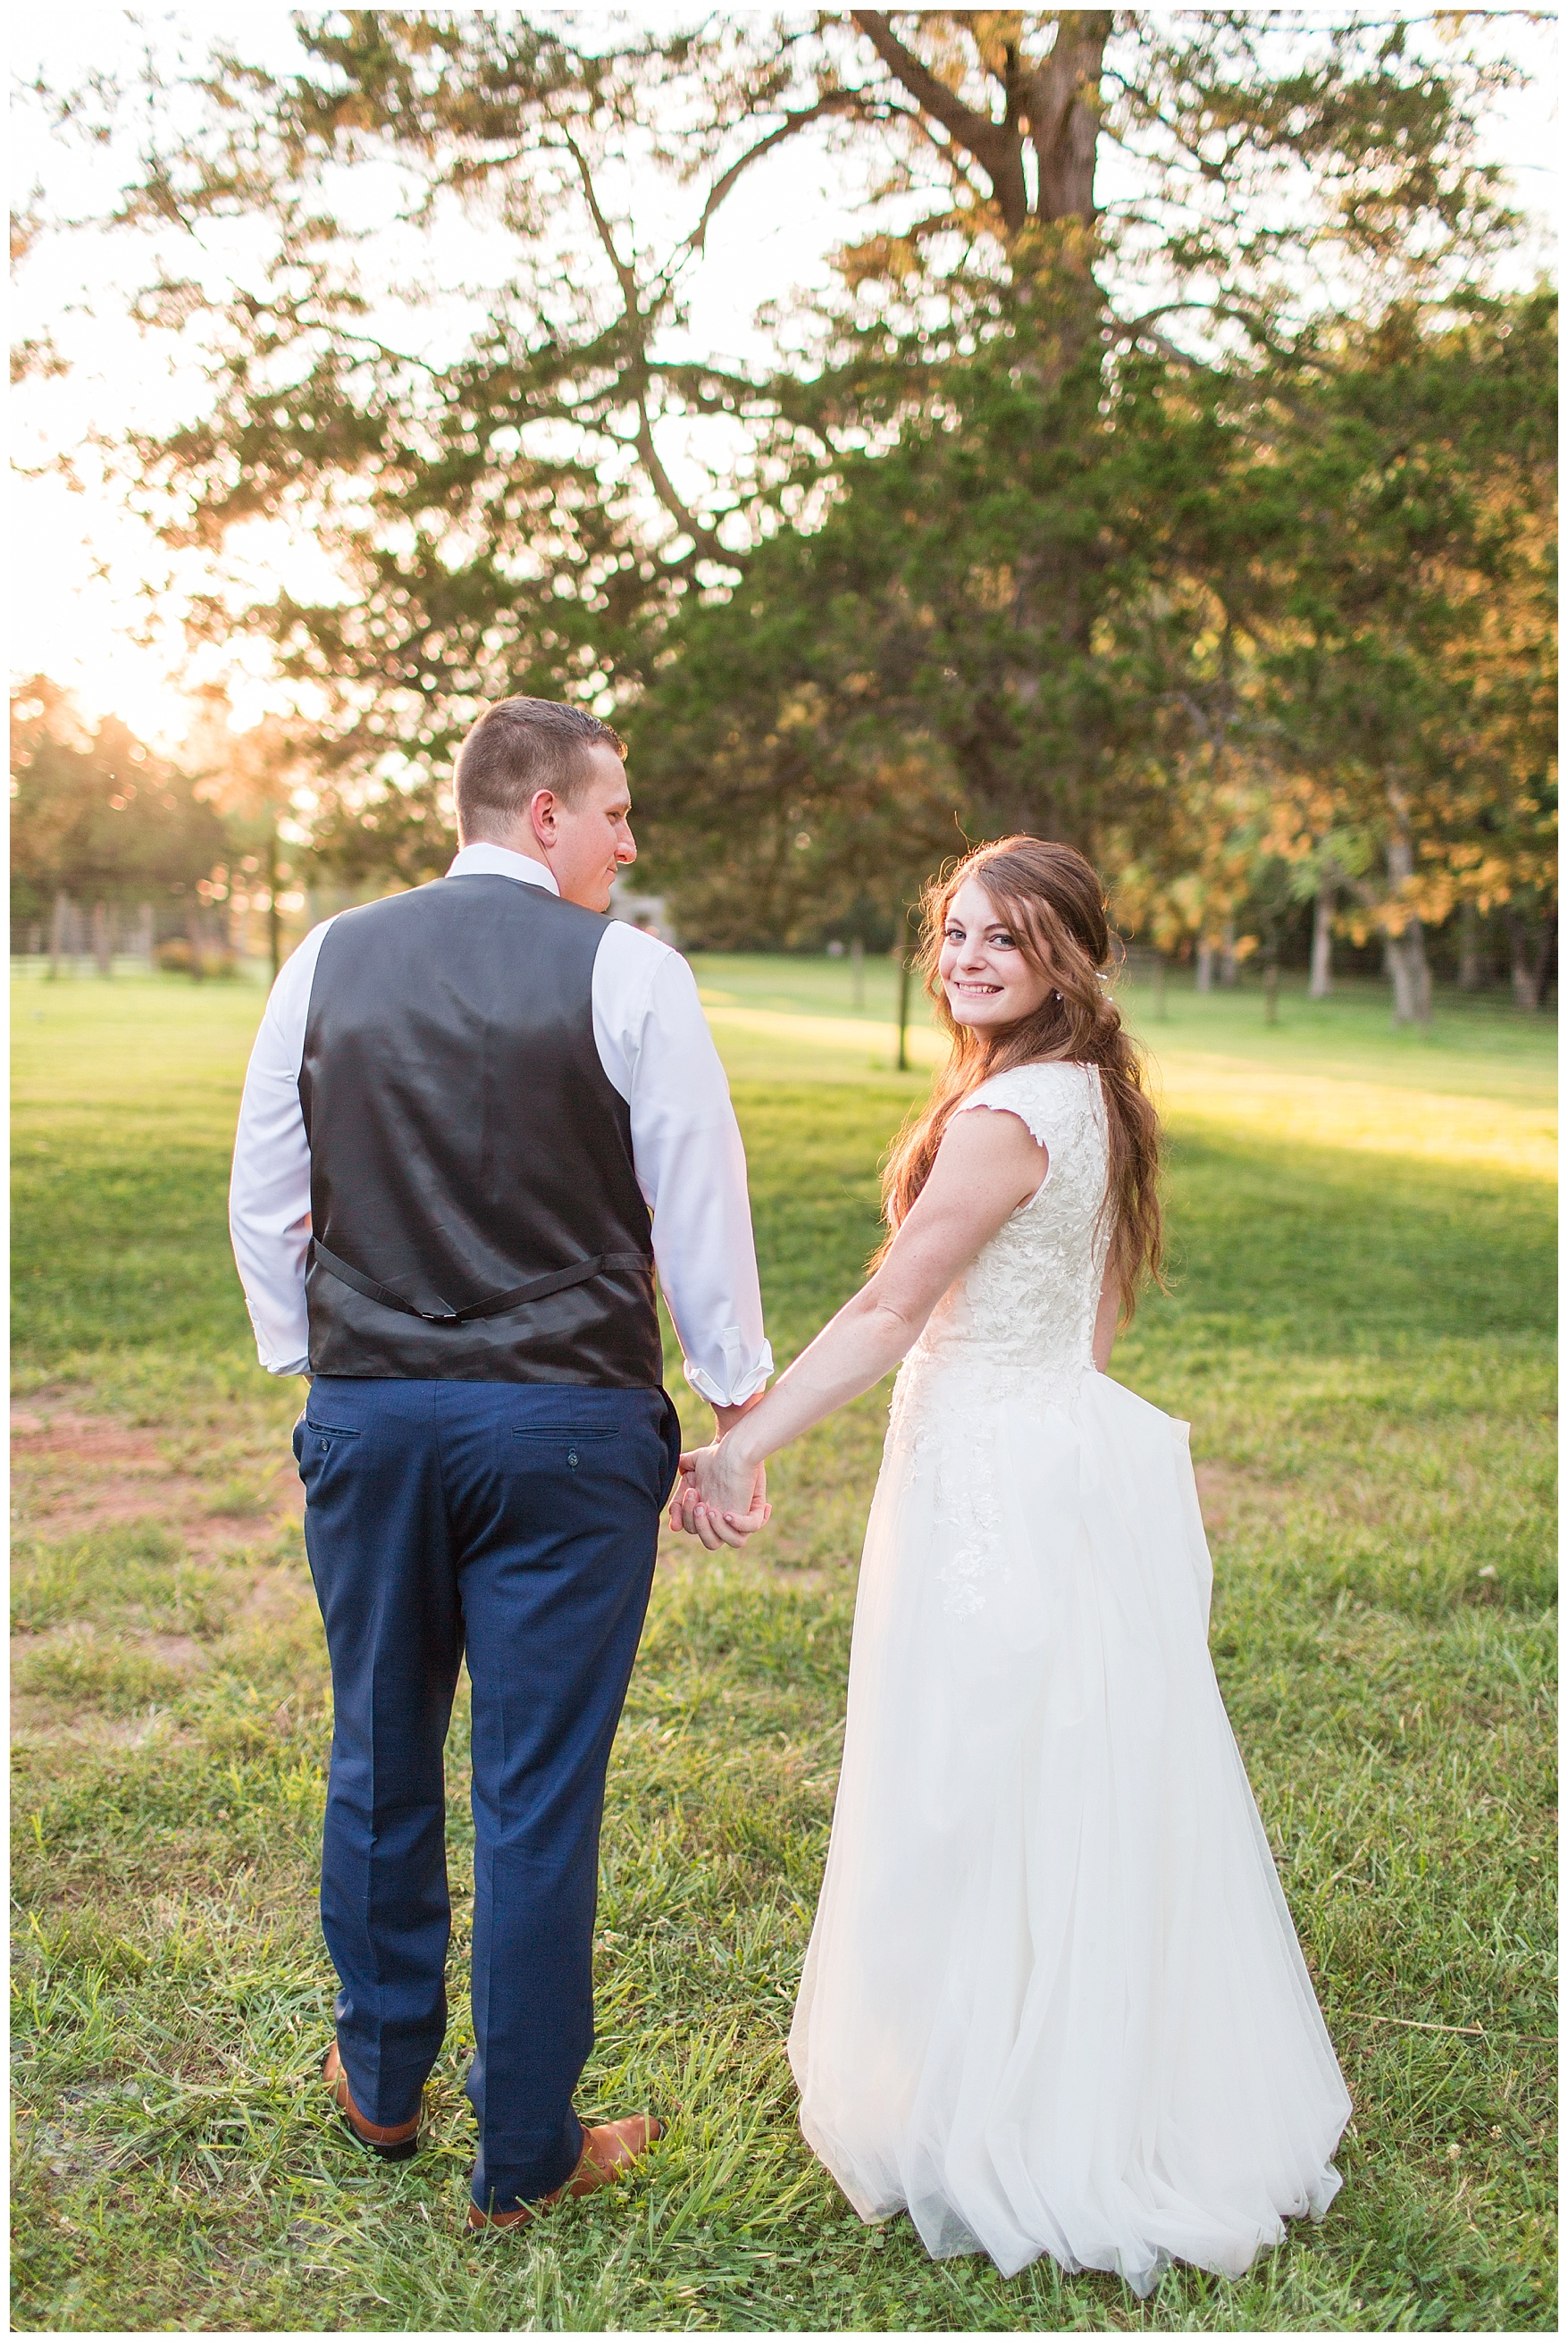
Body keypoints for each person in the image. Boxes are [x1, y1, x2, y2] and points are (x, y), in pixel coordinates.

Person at [672, 835, 1351, 2295]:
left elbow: (890, 1305)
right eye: (959, 933)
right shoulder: (1095, 1093)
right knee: (1054, 1763)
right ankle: (1059, 2060)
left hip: (988, 1468)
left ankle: (998, 2101)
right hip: (1046, 1453)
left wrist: (742, 1443)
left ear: (1068, 959)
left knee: (970, 1767)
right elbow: (1091, 1319)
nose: (970, 958)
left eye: (1007, 939)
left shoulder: (1005, 1114)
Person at [229, 697, 773, 2229]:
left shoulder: (324, 956)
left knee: (381, 1739)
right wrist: (733, 1404)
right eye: (615, 811)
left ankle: (383, 2078)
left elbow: (267, 1193)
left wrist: (318, 1354)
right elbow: (696, 1206)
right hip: (566, 1427)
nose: (628, 839)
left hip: (377, 1418)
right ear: (542, 812)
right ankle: (522, 2149)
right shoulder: (633, 974)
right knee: (536, 1788)